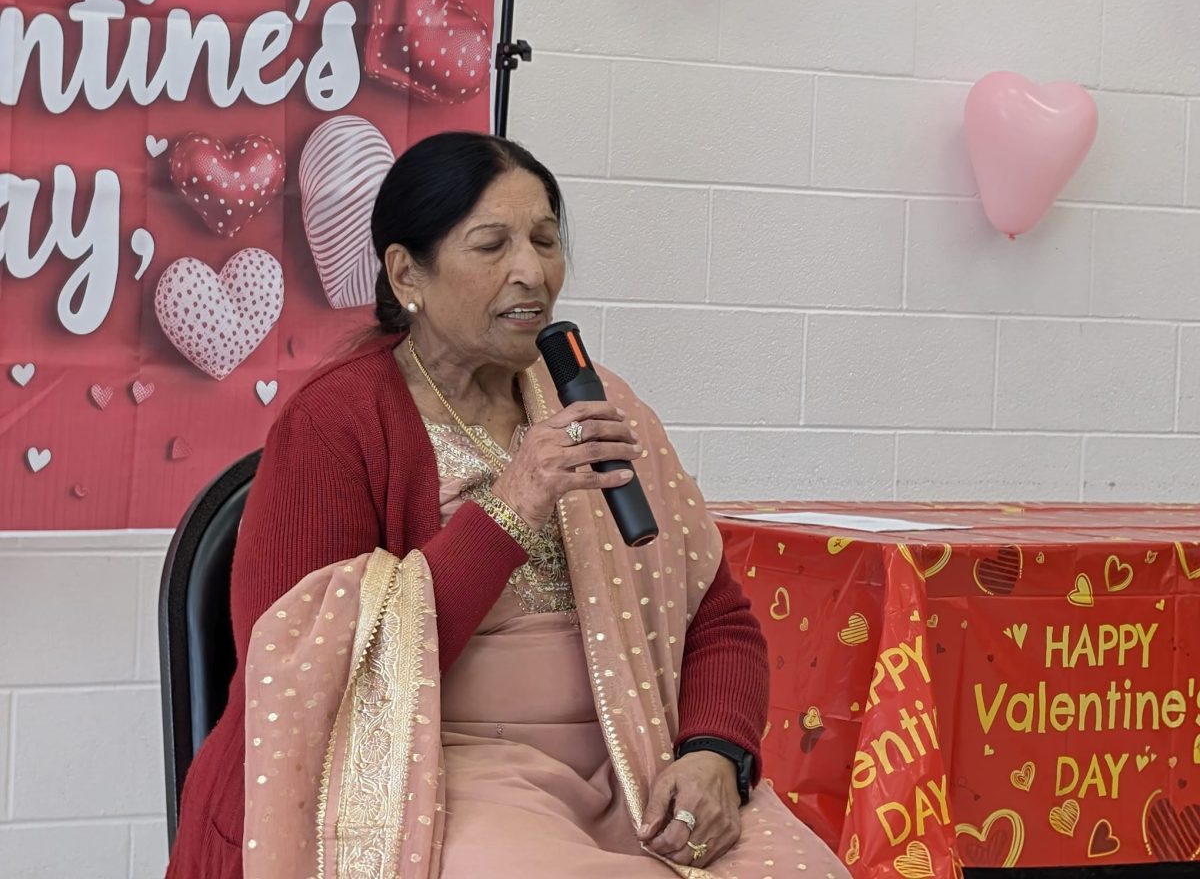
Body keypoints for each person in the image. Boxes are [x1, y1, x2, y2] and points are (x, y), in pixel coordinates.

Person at [166, 131, 849, 878]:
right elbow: (309, 676)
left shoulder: (601, 404)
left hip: (638, 761)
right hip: (439, 774)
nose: (533, 271)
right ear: (407, 273)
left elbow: (717, 619)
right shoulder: (333, 422)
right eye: (492, 246)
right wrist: (512, 506)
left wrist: (716, 753)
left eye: (546, 241)